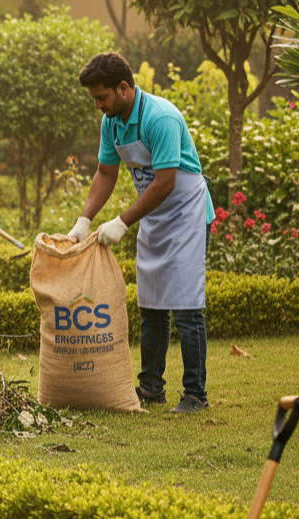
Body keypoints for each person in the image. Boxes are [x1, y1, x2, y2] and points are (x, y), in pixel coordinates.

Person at [69, 52, 214, 414]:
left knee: (186, 305)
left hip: (186, 212)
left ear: (123, 87)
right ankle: (151, 388)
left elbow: (165, 182)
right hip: (154, 213)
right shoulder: (112, 124)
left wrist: (122, 222)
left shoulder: (159, 117)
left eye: (102, 97)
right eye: (94, 99)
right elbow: (106, 173)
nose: (98, 106)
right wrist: (84, 219)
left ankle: (195, 394)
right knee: (151, 304)